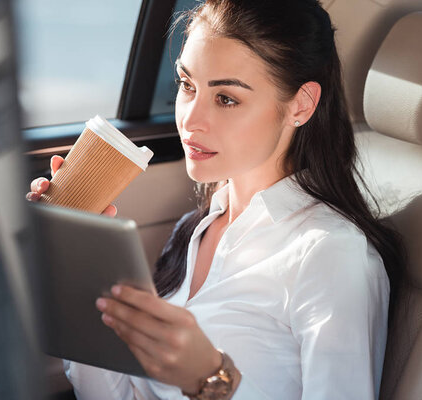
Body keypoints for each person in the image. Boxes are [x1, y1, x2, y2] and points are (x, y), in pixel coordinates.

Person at [27, 0, 403, 398]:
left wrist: (211, 380)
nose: (189, 120)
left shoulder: (331, 253)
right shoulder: (195, 229)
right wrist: (70, 265)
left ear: (301, 104)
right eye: (187, 85)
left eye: (226, 98)